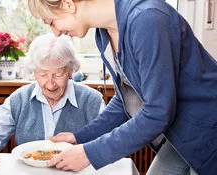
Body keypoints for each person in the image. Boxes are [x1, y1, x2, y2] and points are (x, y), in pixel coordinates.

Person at [28, 0, 217, 174]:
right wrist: (80, 137)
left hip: (208, 130)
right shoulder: (104, 35)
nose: (56, 32)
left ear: (68, 4)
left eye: (51, 22)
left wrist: (89, 153)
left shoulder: (147, 19)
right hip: (181, 135)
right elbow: (125, 99)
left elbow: (158, 113)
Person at [0, 33, 105, 171]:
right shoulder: (19, 99)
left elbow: (108, 144)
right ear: (33, 71)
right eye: (43, 74)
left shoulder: (93, 101)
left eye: (58, 75)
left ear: (70, 72)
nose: (50, 84)